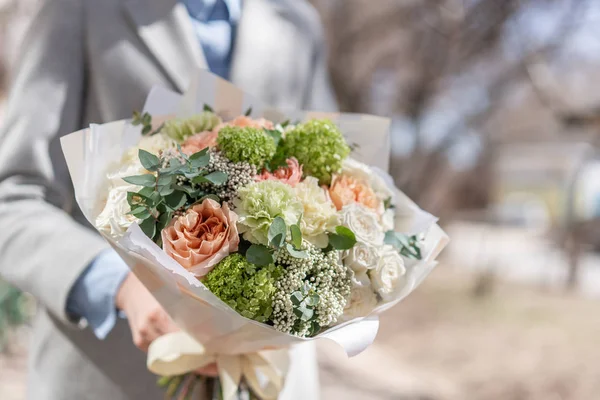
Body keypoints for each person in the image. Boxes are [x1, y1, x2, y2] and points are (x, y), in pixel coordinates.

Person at [0, 0, 337, 399]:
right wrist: (121, 284)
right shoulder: (80, 9)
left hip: (270, 380)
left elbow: (330, 182)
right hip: (112, 377)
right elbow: (13, 196)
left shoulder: (296, 23)